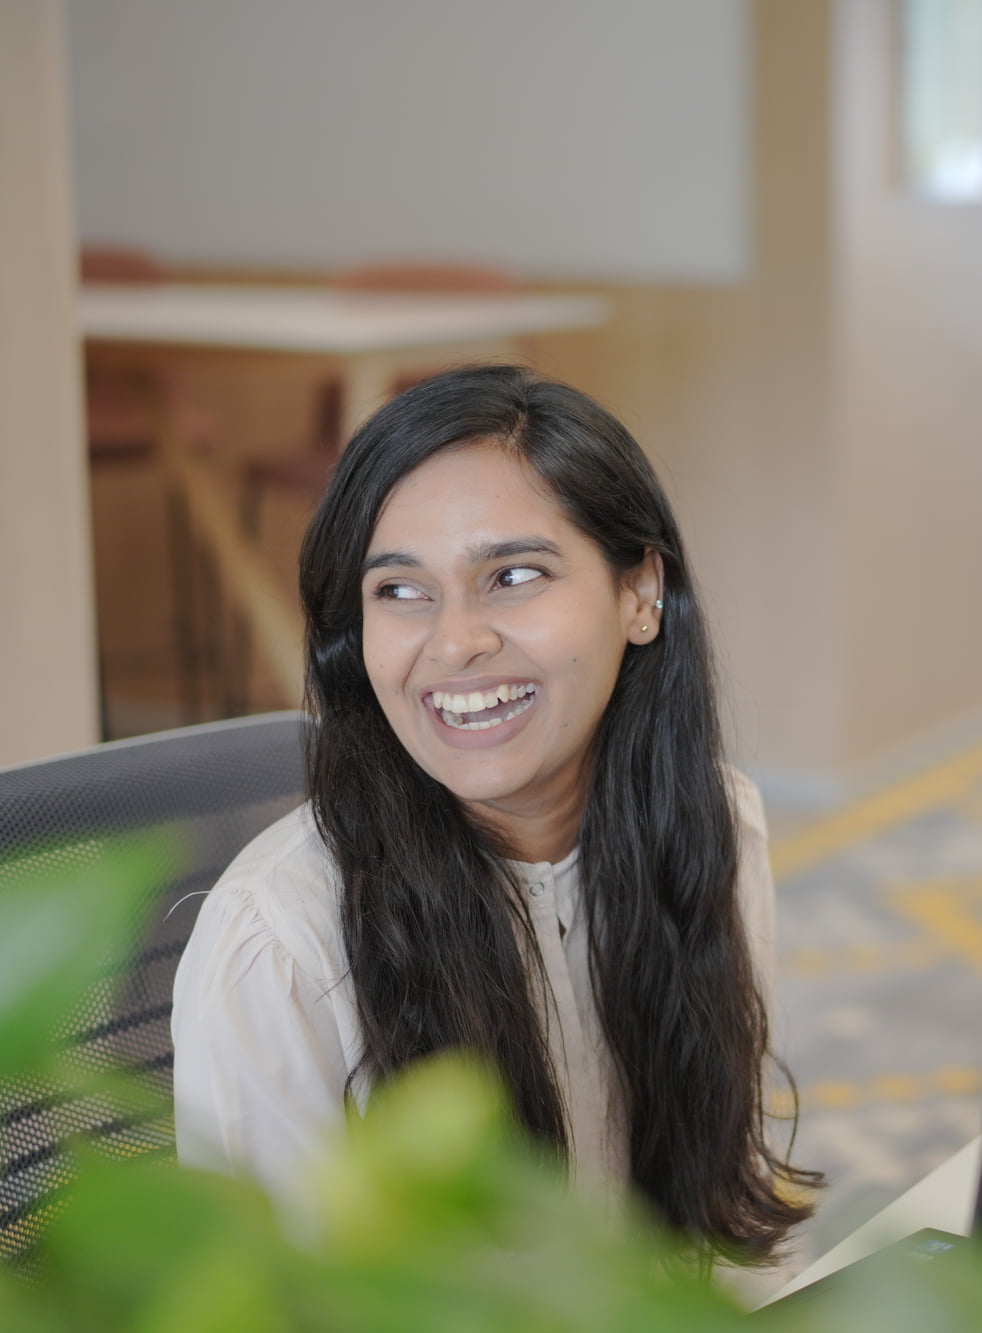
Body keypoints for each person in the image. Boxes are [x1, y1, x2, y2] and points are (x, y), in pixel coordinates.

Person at [171, 365, 815, 1265]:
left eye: (512, 574)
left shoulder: (713, 826)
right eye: (400, 590)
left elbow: (713, 1209)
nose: (456, 639)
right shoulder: (280, 947)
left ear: (640, 594)